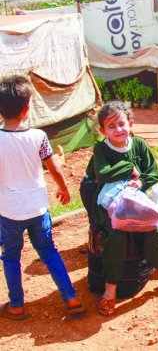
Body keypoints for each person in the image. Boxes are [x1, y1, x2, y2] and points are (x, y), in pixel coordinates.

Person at [0, 75, 84, 320]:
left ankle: (16, 305)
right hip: (38, 208)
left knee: (11, 256)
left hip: (9, 211)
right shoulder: (39, 136)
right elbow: (54, 167)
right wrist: (64, 188)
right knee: (48, 251)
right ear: (27, 109)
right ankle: (71, 298)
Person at [92, 102, 158, 316]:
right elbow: (103, 174)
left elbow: (152, 173)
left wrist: (139, 182)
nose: (118, 130)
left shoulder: (139, 145)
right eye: (111, 126)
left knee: (152, 228)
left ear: (130, 124)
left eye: (121, 124)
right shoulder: (101, 149)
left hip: (136, 200)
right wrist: (129, 168)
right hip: (108, 205)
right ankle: (110, 289)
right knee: (117, 233)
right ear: (102, 130)